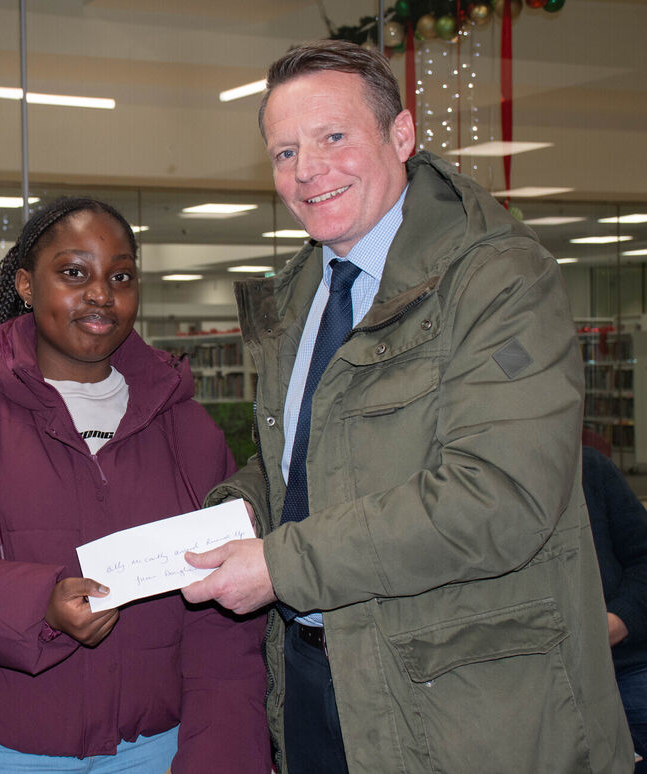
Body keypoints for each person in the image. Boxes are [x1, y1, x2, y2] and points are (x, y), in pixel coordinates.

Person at [180, 39, 634, 773]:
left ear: (402, 135)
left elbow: (500, 499)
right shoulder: (298, 295)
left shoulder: (499, 279)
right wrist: (238, 513)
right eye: (284, 152)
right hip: (316, 680)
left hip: (468, 699)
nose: (307, 170)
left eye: (333, 138)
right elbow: (312, 463)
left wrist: (280, 562)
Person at [0, 197, 270, 773]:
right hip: (7, 755)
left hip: (160, 751)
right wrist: (37, 607)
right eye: (74, 273)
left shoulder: (188, 432)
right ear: (26, 284)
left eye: (119, 276)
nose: (101, 293)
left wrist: (223, 755)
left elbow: (225, 622)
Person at [581, 444, 647, 772]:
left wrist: (619, 620)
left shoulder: (591, 469)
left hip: (624, 664)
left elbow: (643, 558)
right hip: (544, 680)